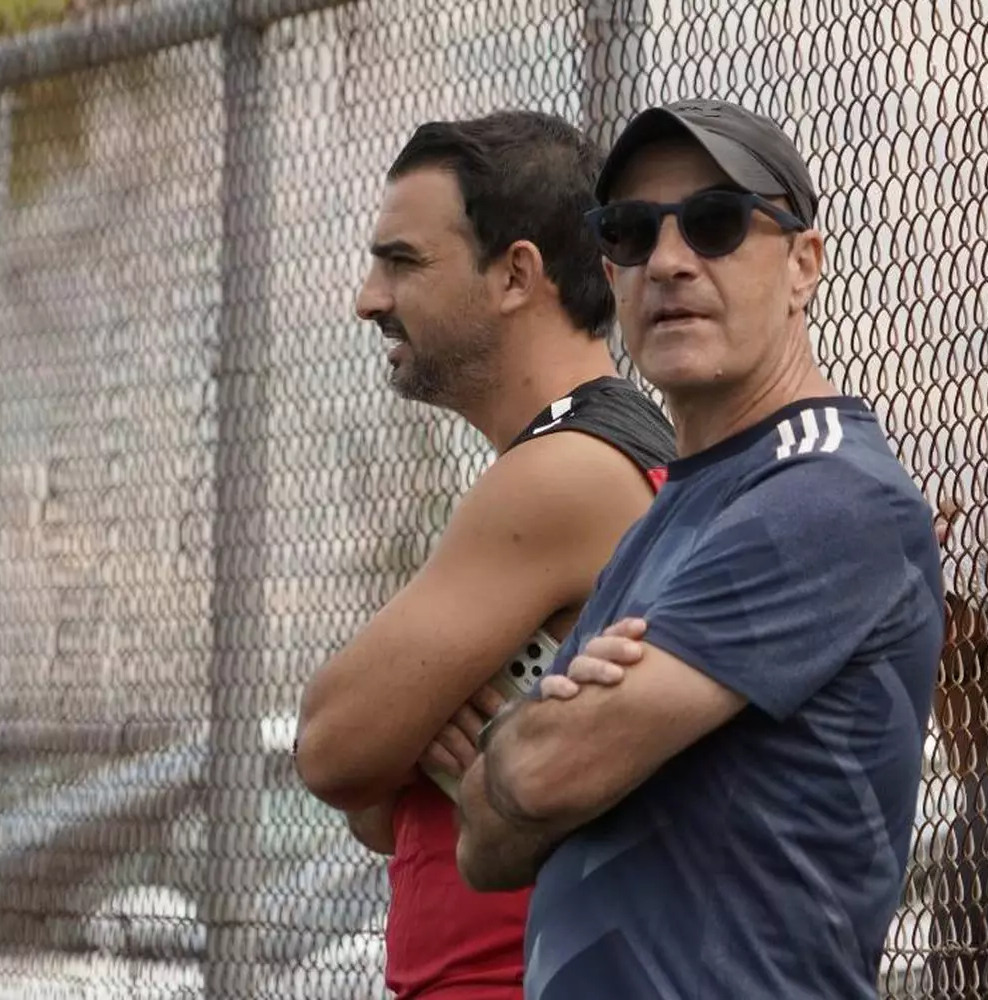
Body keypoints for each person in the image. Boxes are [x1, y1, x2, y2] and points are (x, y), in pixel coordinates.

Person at [451, 99, 945, 999]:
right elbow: (480, 843)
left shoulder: (830, 495)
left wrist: (530, 736)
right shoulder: (666, 518)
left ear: (803, 264)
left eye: (715, 223)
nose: (670, 261)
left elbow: (541, 772)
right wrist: (549, 749)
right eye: (633, 232)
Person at [293, 110, 676, 1000]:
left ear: (516, 275)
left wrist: (402, 738)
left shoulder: (565, 473)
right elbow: (382, 815)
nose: (369, 299)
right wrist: (403, 749)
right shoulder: (587, 451)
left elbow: (332, 750)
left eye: (403, 262)